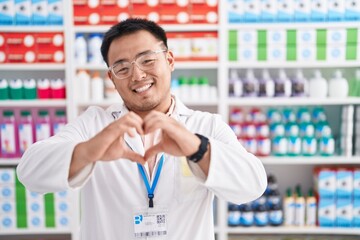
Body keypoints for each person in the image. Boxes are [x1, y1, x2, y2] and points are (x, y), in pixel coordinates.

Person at [17, 18, 267, 240]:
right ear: (112, 78)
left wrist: (195, 147)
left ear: (169, 60)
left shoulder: (205, 125)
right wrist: (91, 150)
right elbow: (29, 173)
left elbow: (252, 186)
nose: (137, 75)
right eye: (122, 68)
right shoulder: (94, 124)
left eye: (147, 60)